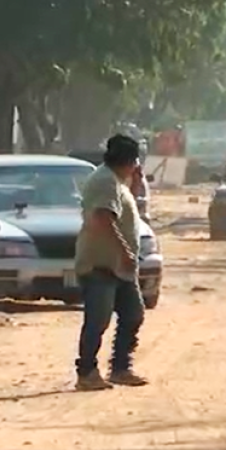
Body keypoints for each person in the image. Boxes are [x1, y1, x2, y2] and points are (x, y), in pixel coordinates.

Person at [74, 134, 149, 390]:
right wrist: (126, 251)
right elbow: (103, 218)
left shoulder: (115, 181)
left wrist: (135, 184)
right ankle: (86, 372)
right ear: (130, 160)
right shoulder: (105, 181)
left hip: (118, 267)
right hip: (102, 264)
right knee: (98, 320)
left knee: (133, 313)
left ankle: (120, 367)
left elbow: (122, 208)